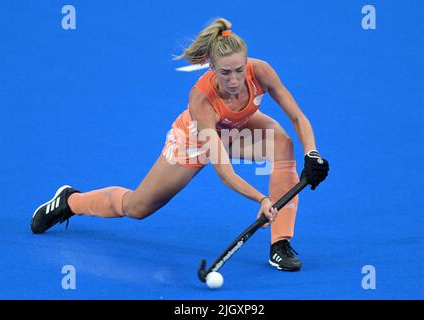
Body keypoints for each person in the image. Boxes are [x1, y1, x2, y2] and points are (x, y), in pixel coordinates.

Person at [30, 18, 329, 272]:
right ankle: (70, 201)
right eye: (225, 73)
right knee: (136, 207)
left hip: (239, 128)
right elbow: (223, 171)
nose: (235, 80)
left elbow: (297, 116)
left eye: (239, 70)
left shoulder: (260, 70)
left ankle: (280, 244)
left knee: (283, 145)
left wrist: (312, 153)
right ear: (211, 67)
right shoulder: (201, 100)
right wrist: (261, 200)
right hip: (195, 141)